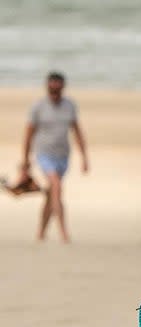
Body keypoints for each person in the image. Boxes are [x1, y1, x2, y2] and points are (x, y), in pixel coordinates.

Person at [21, 72, 88, 241]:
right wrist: (25, 161)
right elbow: (28, 134)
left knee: (51, 194)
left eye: (57, 89)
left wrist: (84, 157)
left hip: (63, 156)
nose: (54, 93)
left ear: (63, 88)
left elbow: (77, 131)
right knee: (57, 187)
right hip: (44, 154)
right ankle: (63, 232)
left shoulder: (69, 106)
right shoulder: (38, 107)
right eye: (52, 89)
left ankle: (41, 232)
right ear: (47, 88)